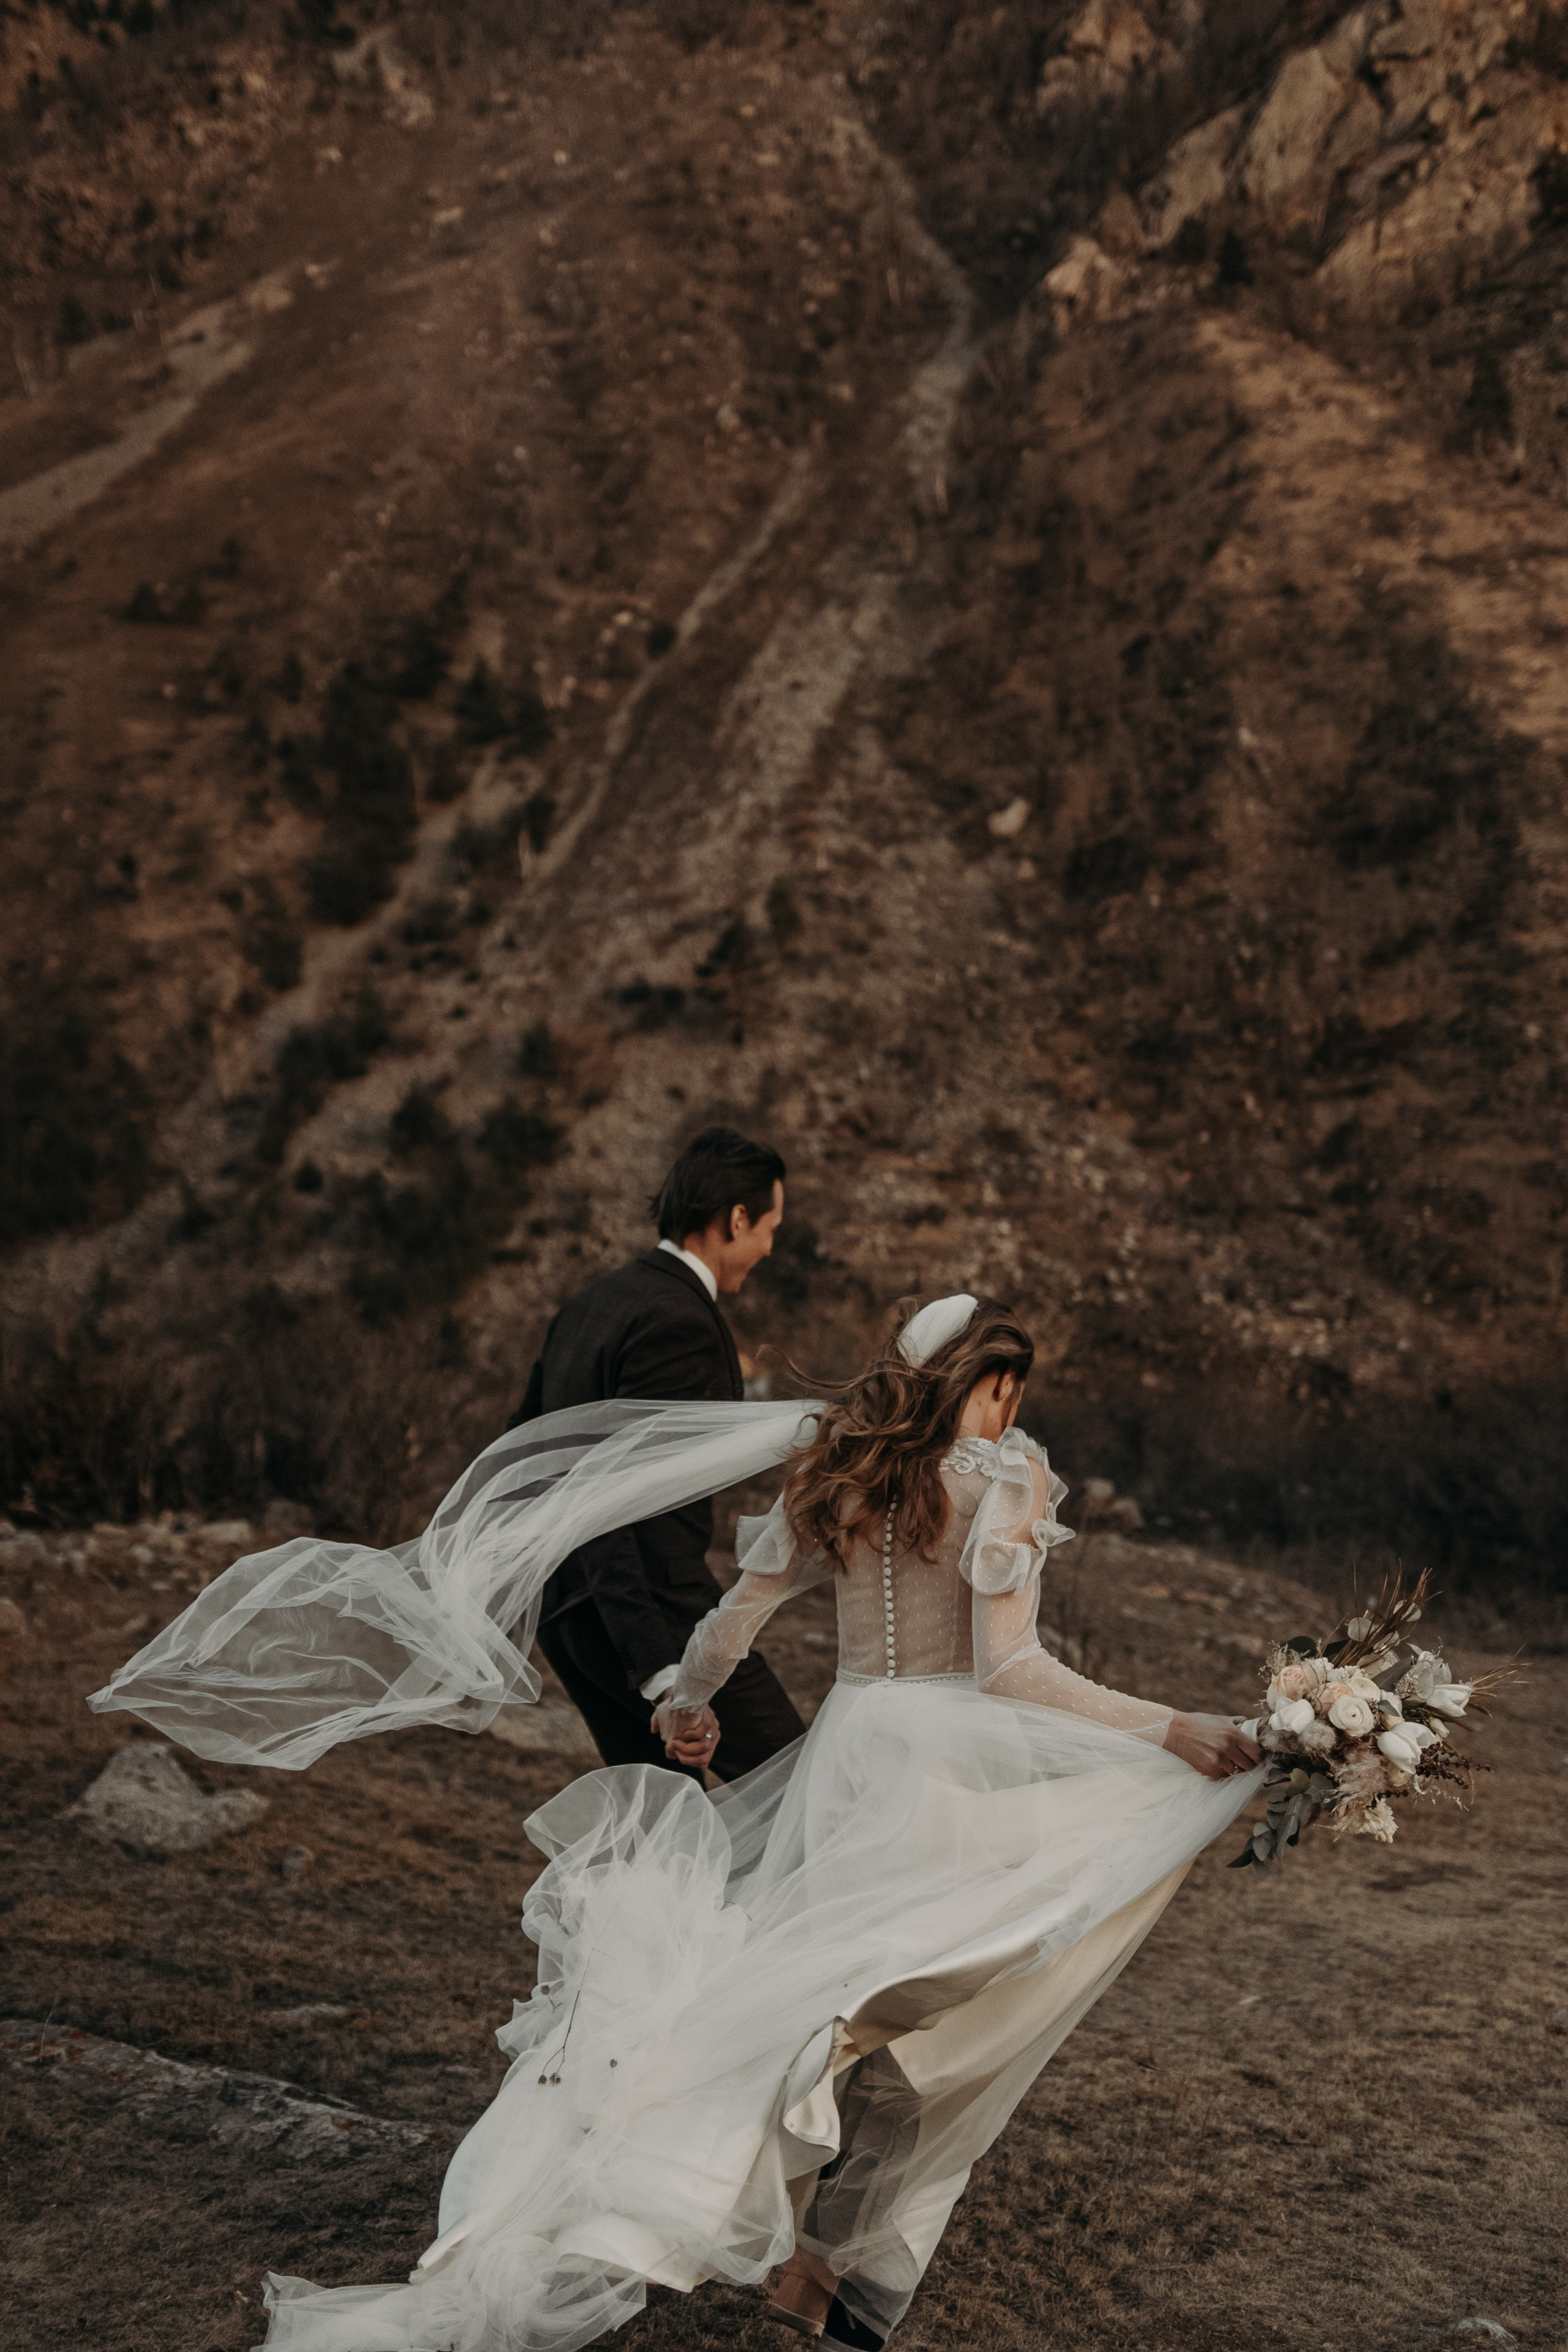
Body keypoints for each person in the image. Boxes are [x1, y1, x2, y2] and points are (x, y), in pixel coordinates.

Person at [241, 1293, 1262, 2352]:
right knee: (939, 2005)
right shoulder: (1004, 1478)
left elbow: (738, 1612)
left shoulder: (848, 1466)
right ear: (992, 1382)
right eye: (1015, 1394)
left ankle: (794, 2262)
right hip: (947, 1767)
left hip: (850, 1755)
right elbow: (1009, 1668)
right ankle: (821, 2265)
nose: (1016, 1415)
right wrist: (1167, 1727)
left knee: (821, 1997)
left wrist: (686, 1703)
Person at [511, 1125, 804, 1780]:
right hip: (650, 1621)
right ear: (736, 1219)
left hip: (570, 1619)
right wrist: (668, 1676)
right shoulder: (680, 1324)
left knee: (662, 1827)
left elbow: (518, 1450)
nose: (769, 1246)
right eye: (769, 1227)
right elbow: (609, 1500)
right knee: (799, 1789)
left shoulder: (594, 1302)